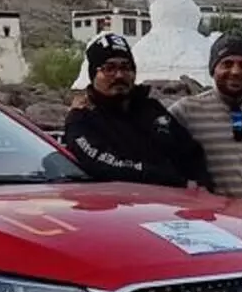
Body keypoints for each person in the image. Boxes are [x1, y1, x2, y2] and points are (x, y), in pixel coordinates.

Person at [63, 33, 212, 189]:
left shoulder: (152, 109)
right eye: (109, 68)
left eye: (125, 67)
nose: (119, 75)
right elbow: (103, 163)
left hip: (178, 206)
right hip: (123, 206)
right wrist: (172, 181)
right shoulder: (81, 118)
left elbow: (190, 151)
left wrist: (202, 184)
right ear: (94, 74)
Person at [169, 32, 242, 216]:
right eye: (227, 64)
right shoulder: (186, 112)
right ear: (213, 69)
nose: (235, 71)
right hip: (216, 226)